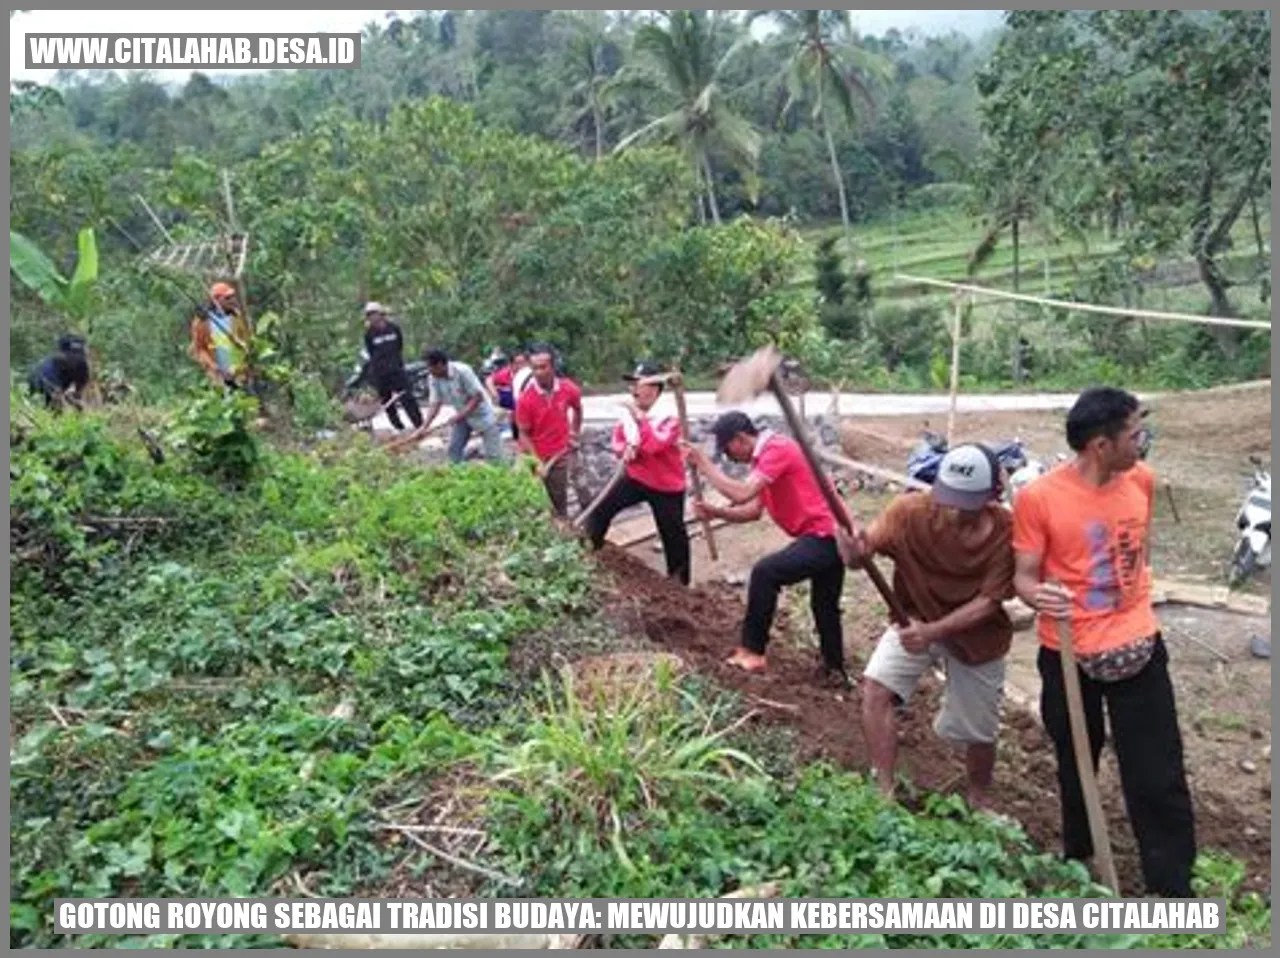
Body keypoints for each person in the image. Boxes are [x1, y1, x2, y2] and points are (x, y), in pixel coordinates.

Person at [1012, 386, 1195, 898]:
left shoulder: (1142, 480)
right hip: (1068, 653)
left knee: (1156, 771)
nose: (1143, 441)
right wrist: (1038, 596)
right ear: (1100, 445)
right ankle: (1080, 861)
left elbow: (1138, 555)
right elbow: (1023, 578)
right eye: (1135, 434)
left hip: (1138, 648)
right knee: (1076, 762)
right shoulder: (1039, 498)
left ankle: (1172, 885)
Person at [837, 444, 1016, 810]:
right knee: (876, 688)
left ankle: (979, 798)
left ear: (990, 498)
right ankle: (883, 791)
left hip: (976, 636)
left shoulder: (1006, 531)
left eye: (966, 503)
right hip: (913, 619)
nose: (952, 510)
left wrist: (933, 633)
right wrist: (853, 552)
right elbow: (862, 554)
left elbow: (989, 602)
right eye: (948, 497)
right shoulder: (908, 512)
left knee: (979, 729)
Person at [682, 411, 858, 688]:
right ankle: (834, 669)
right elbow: (752, 511)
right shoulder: (765, 460)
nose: (729, 458)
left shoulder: (777, 449)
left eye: (728, 451)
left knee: (766, 573)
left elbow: (742, 494)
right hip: (829, 534)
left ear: (741, 439)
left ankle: (753, 652)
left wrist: (704, 465)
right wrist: (716, 513)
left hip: (826, 534)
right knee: (824, 605)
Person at [584, 362, 690, 585]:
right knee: (599, 510)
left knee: (673, 535)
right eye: (632, 384)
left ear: (653, 388)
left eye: (637, 384)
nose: (633, 389)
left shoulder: (669, 416)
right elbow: (619, 439)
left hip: (666, 484)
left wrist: (640, 421)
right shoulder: (630, 412)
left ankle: (680, 586)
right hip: (636, 476)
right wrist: (625, 449)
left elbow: (654, 445)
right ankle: (587, 558)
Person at [515, 345, 583, 516]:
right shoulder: (526, 399)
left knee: (559, 497)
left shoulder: (568, 388)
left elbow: (578, 408)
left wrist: (575, 432)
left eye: (543, 367)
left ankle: (562, 525)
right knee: (533, 498)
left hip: (558, 454)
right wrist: (536, 461)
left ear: (553, 367)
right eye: (535, 368)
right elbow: (523, 433)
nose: (538, 372)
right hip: (534, 453)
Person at [422, 348, 505, 463]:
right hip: (463, 416)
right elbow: (435, 403)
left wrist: (459, 416)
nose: (429, 370)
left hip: (482, 414)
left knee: (495, 457)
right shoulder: (433, 378)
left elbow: (477, 397)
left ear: (440, 364)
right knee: (453, 451)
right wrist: (424, 427)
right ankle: (459, 473)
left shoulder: (462, 371)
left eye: (430, 367)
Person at [356, 302, 423, 432]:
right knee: (387, 402)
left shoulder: (394, 328)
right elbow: (371, 352)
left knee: (407, 398)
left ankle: (419, 425)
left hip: (397, 370)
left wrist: (396, 362)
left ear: (381, 314)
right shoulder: (369, 334)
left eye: (374, 314)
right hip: (381, 373)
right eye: (369, 315)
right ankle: (398, 426)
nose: (372, 317)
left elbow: (399, 345)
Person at [189, 282, 249, 389]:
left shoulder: (237, 316)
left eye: (232, 297)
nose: (232, 300)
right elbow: (199, 349)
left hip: (238, 374)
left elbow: (246, 343)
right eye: (227, 298)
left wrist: (239, 366)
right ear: (216, 300)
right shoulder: (202, 321)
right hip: (218, 377)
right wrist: (213, 366)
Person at [28, 334, 90, 408]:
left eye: (78, 354)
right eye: (70, 354)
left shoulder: (82, 366)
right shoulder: (47, 368)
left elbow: (80, 388)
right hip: (41, 392)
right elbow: (55, 396)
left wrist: (76, 400)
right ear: (60, 354)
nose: (75, 358)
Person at [487, 349, 530, 440]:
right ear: (511, 365)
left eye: (524, 363)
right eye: (518, 363)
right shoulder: (506, 373)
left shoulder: (531, 375)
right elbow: (489, 380)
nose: (521, 366)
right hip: (510, 405)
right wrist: (494, 394)